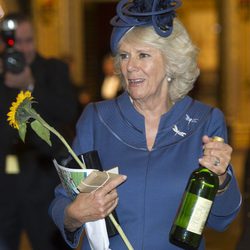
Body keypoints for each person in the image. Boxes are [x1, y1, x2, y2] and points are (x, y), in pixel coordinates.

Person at [49, 0, 242, 249]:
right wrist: (75, 214)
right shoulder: (97, 118)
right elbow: (62, 202)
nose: (130, 66)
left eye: (143, 55)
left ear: (170, 63)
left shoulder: (205, 121)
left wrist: (222, 178)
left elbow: (222, 220)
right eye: (124, 55)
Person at [0, 12, 78, 250]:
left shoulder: (53, 70)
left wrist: (30, 85)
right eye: (16, 42)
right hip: (4, 189)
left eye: (28, 41)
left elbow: (68, 112)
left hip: (43, 187)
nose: (23, 49)